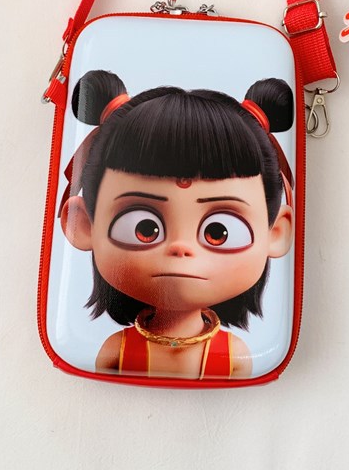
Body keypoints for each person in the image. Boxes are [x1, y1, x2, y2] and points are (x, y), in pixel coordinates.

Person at [60, 70, 295, 380]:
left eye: (217, 232)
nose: (180, 249)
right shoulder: (115, 350)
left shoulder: (236, 355)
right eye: (145, 228)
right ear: (82, 225)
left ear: (275, 233)